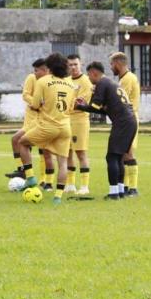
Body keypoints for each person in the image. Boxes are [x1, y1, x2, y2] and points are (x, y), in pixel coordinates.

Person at [11, 52, 75, 205]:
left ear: (49, 67)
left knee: (22, 142)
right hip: (65, 127)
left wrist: (40, 106)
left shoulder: (43, 81)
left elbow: (34, 104)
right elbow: (71, 108)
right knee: (63, 163)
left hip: (48, 126)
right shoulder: (71, 84)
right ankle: (58, 197)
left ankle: (31, 177)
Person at [75, 61, 138, 200]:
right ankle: (120, 190)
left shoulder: (102, 84)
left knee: (111, 157)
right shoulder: (111, 84)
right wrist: (87, 105)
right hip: (131, 121)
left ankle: (113, 192)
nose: (89, 78)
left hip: (122, 123)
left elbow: (95, 107)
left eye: (89, 75)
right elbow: (104, 110)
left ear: (94, 73)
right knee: (119, 156)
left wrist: (80, 106)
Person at [8, 59, 49, 180]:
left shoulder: (51, 81)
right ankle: (22, 170)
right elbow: (25, 94)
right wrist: (37, 103)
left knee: (43, 150)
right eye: (34, 70)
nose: (34, 72)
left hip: (44, 119)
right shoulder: (32, 78)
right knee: (17, 140)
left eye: (37, 70)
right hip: (31, 119)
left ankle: (42, 179)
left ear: (45, 70)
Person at [110, 52, 141, 196]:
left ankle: (133, 188)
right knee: (123, 154)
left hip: (128, 120)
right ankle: (127, 187)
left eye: (111, 64)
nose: (111, 68)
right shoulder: (126, 78)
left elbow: (121, 100)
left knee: (128, 154)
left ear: (117, 63)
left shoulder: (127, 79)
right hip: (127, 120)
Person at [65, 55, 93, 195]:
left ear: (80, 64)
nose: (73, 67)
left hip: (80, 121)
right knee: (67, 152)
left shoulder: (86, 81)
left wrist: (67, 104)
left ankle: (84, 186)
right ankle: (70, 184)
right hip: (66, 120)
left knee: (81, 152)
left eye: (75, 64)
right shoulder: (65, 81)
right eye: (70, 65)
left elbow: (79, 103)